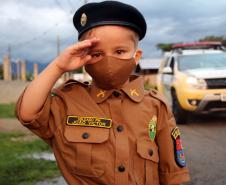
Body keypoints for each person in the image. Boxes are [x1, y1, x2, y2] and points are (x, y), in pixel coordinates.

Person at [16, 1, 190, 184]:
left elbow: (171, 175)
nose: (109, 62)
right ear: (84, 57)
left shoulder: (156, 107)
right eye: (97, 54)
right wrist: (59, 66)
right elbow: (28, 114)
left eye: (120, 51)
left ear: (136, 56)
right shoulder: (68, 102)